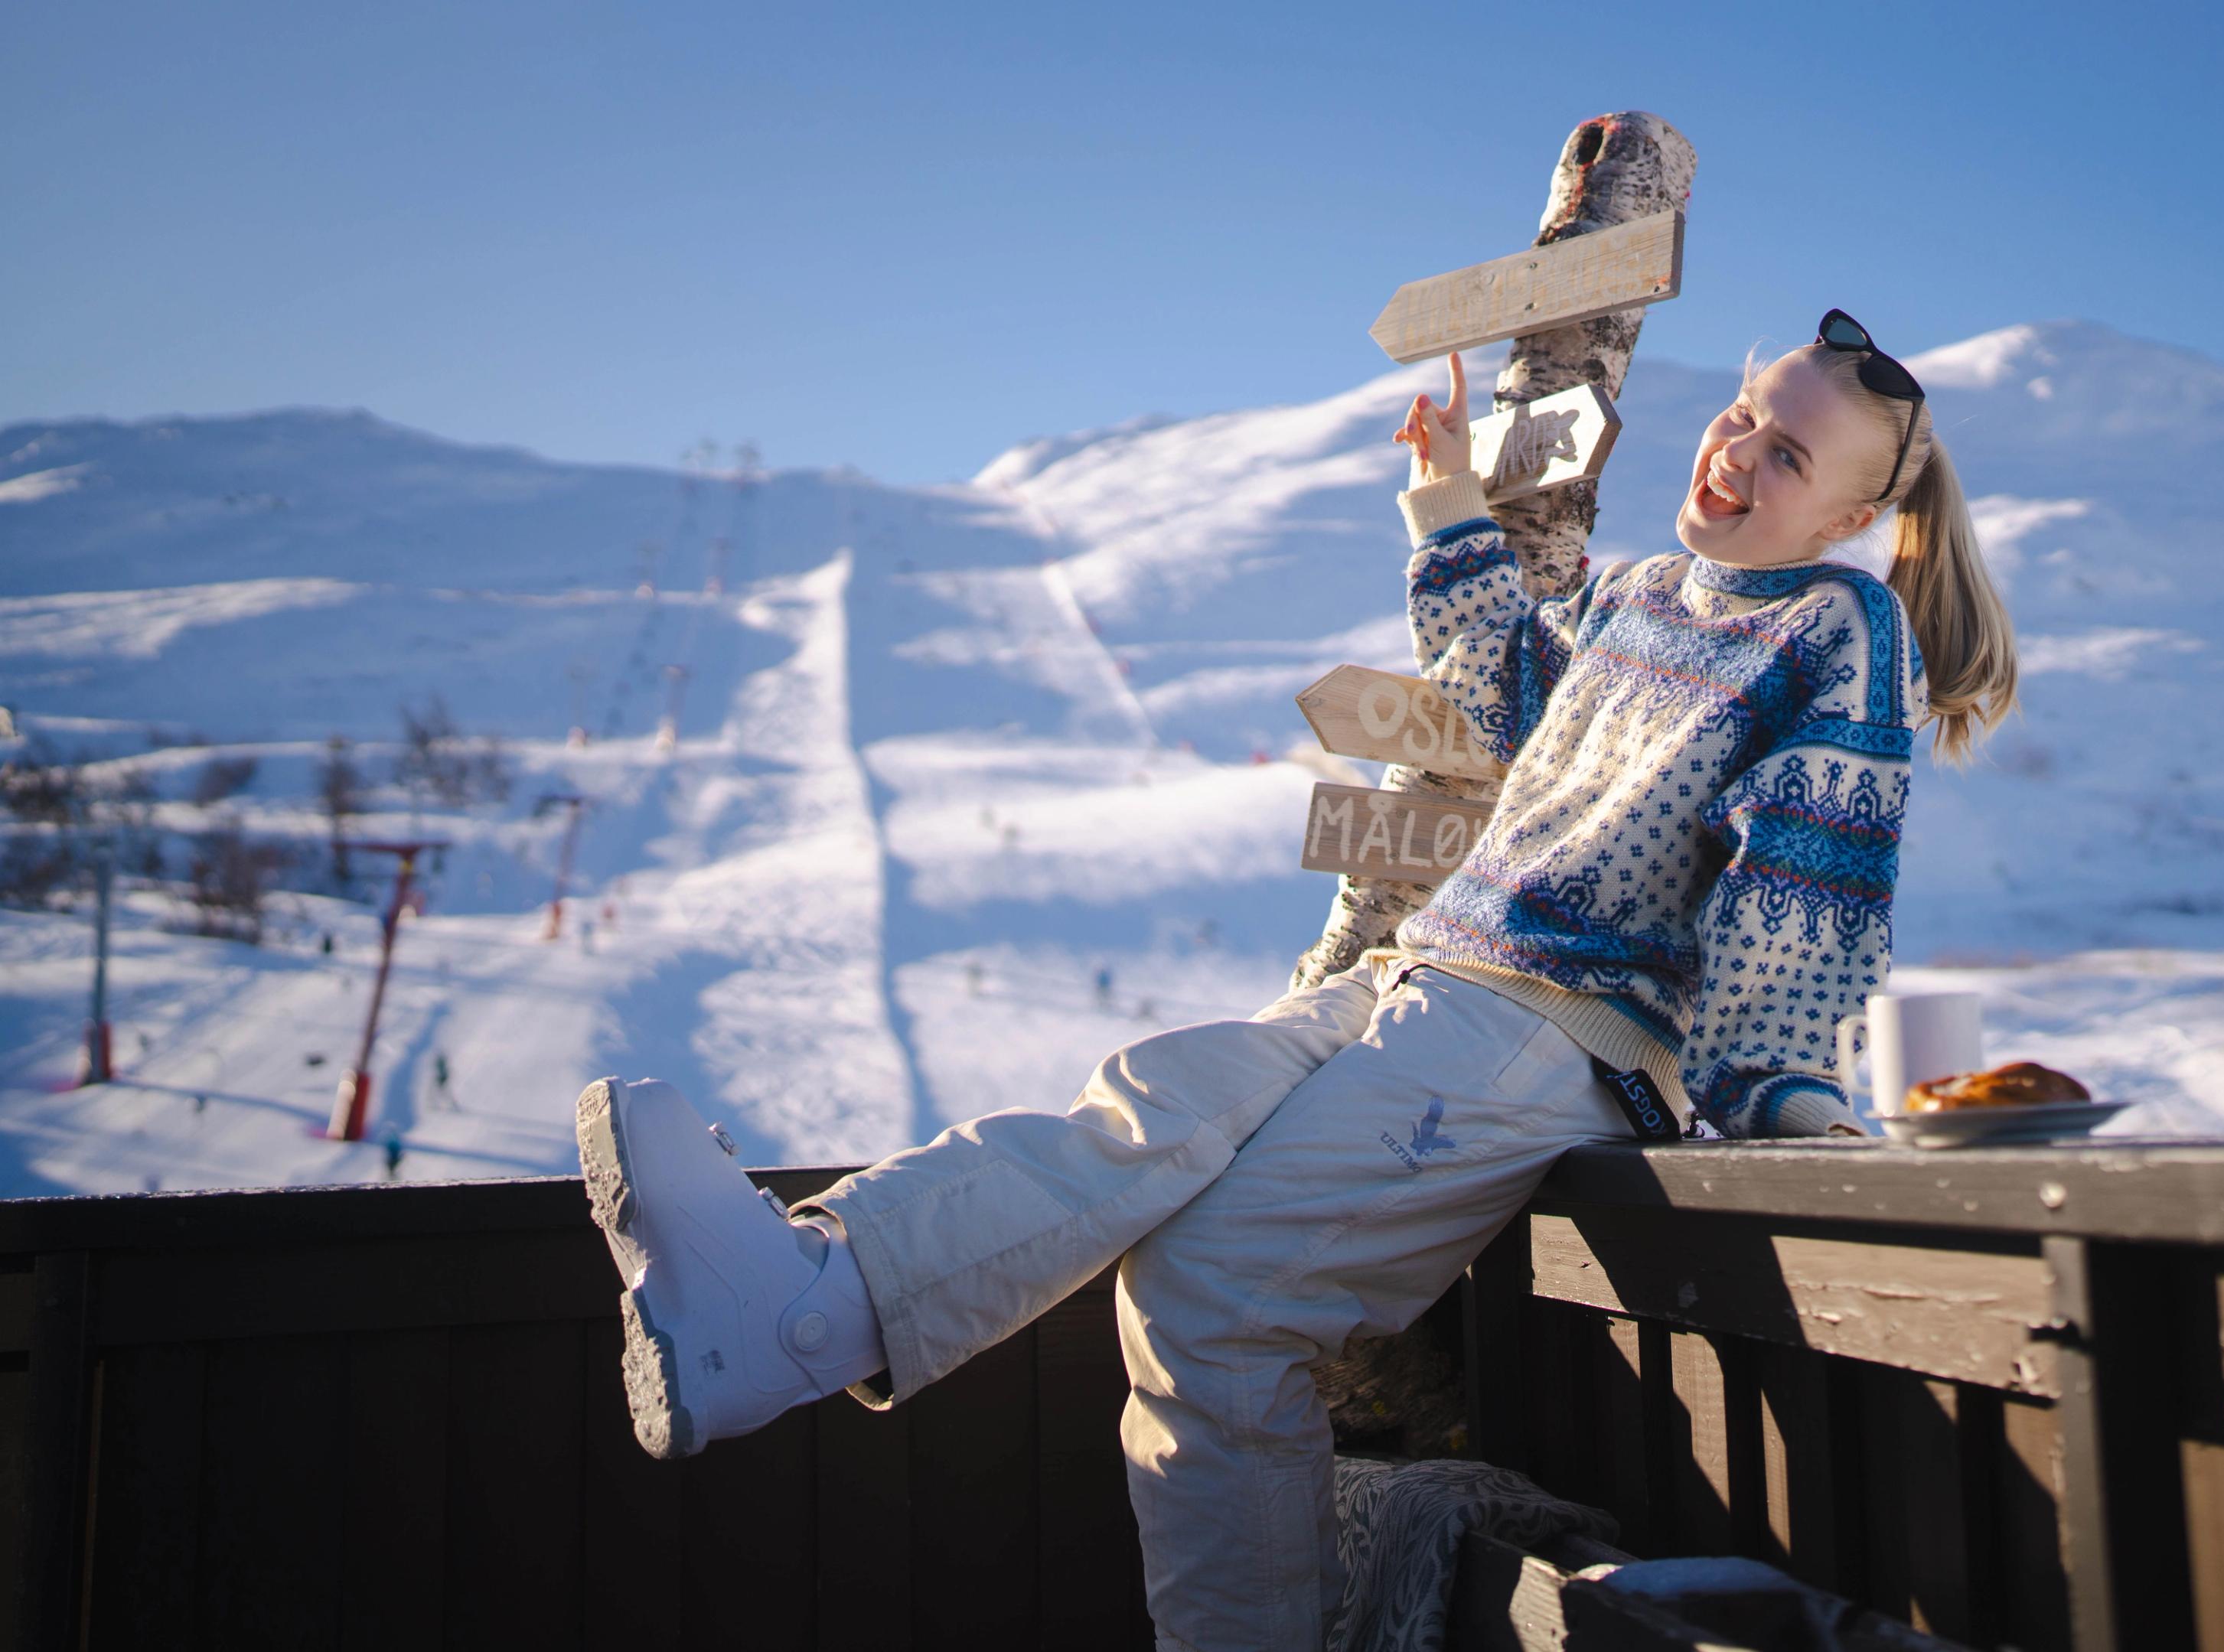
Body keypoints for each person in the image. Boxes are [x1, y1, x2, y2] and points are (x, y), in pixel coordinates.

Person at [575, 311, 2016, 1651]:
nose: (1739, 451)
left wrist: (1773, 1088)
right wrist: (1447, 497)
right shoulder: (1650, 593)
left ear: (1850, 517)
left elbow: (1811, 875)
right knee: (1148, 1097)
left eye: (1788, 452)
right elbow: (1499, 689)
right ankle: (791, 1313)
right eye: (1746, 413)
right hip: (1431, 981)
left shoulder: (1839, 632)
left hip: (1545, 1038)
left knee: (1209, 1307)